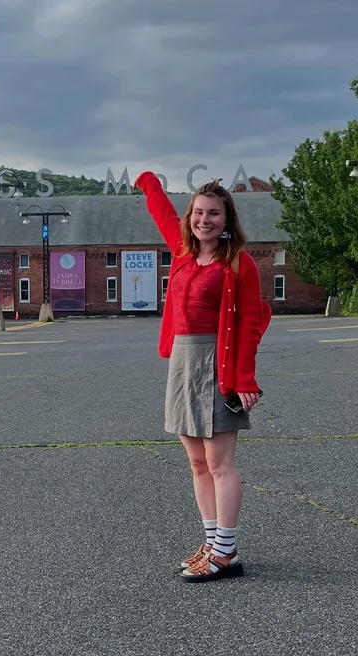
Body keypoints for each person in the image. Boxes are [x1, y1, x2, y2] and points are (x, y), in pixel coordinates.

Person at [134, 171, 270, 583]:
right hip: (182, 360)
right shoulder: (183, 253)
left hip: (219, 360)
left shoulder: (238, 264)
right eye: (198, 212)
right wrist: (149, 184)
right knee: (196, 462)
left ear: (227, 221)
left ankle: (225, 551)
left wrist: (244, 378)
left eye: (214, 213)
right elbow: (162, 214)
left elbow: (250, 321)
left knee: (220, 463)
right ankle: (211, 543)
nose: (204, 219)